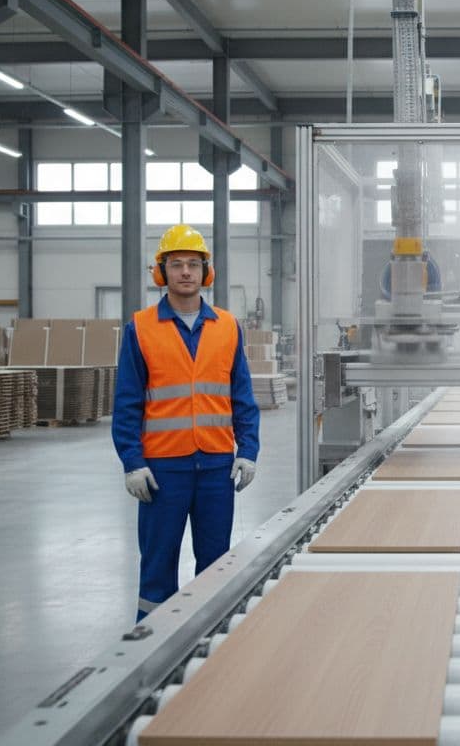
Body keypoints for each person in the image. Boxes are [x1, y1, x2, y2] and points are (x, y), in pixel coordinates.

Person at [112, 224, 260, 623]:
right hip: (163, 470)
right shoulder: (140, 328)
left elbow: (242, 397)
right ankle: (149, 651)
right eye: (175, 264)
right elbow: (126, 403)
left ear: (205, 272)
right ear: (161, 273)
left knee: (215, 565)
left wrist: (247, 451)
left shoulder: (227, 327)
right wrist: (132, 462)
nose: (185, 273)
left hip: (215, 467)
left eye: (193, 264)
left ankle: (209, 644)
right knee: (158, 569)